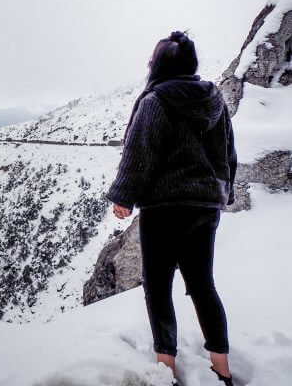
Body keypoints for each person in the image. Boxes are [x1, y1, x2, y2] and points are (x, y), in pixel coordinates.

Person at [105, 31, 237, 386]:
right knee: (203, 284)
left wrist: (124, 197)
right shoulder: (215, 99)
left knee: (158, 287)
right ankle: (222, 370)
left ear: (160, 64)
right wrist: (225, 193)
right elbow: (227, 152)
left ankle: (166, 368)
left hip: (165, 208)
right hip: (205, 208)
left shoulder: (156, 101)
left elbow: (139, 154)